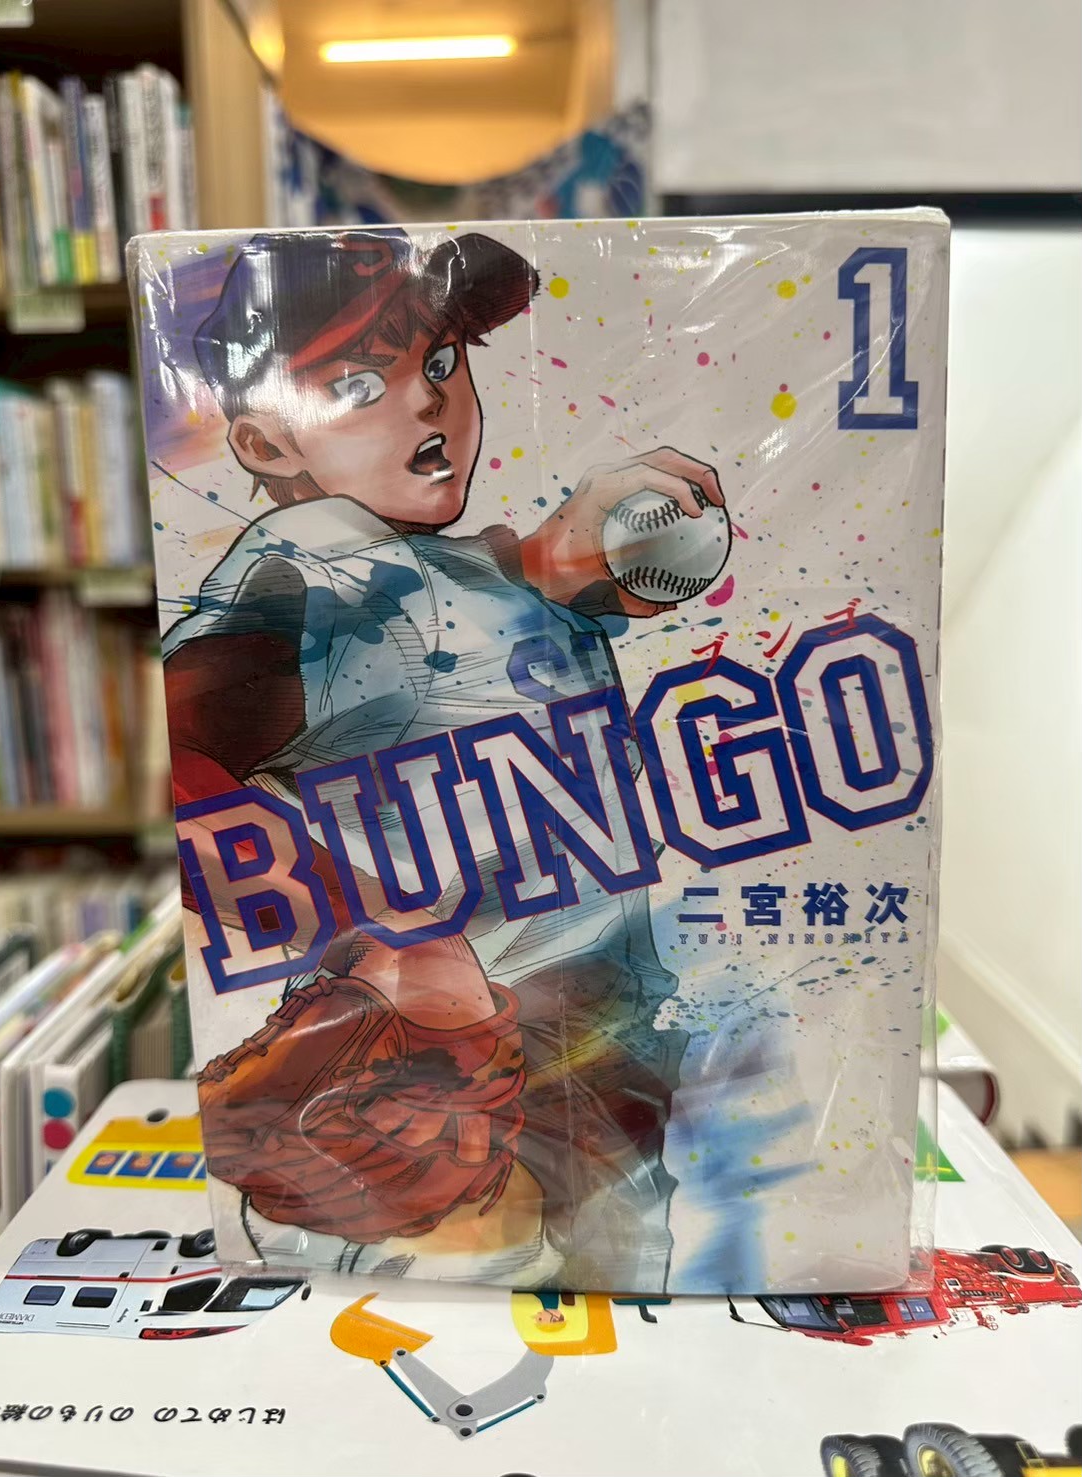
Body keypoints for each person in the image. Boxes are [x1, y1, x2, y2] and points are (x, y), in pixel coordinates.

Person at [165, 227, 727, 1289]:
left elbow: (457, 615)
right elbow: (180, 772)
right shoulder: (312, 563)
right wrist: (373, 924)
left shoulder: (450, 570)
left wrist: (555, 553)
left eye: (438, 360)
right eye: (355, 384)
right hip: (442, 1088)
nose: (425, 401)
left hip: (600, 1056)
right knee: (411, 1310)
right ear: (267, 444)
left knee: (630, 1306)